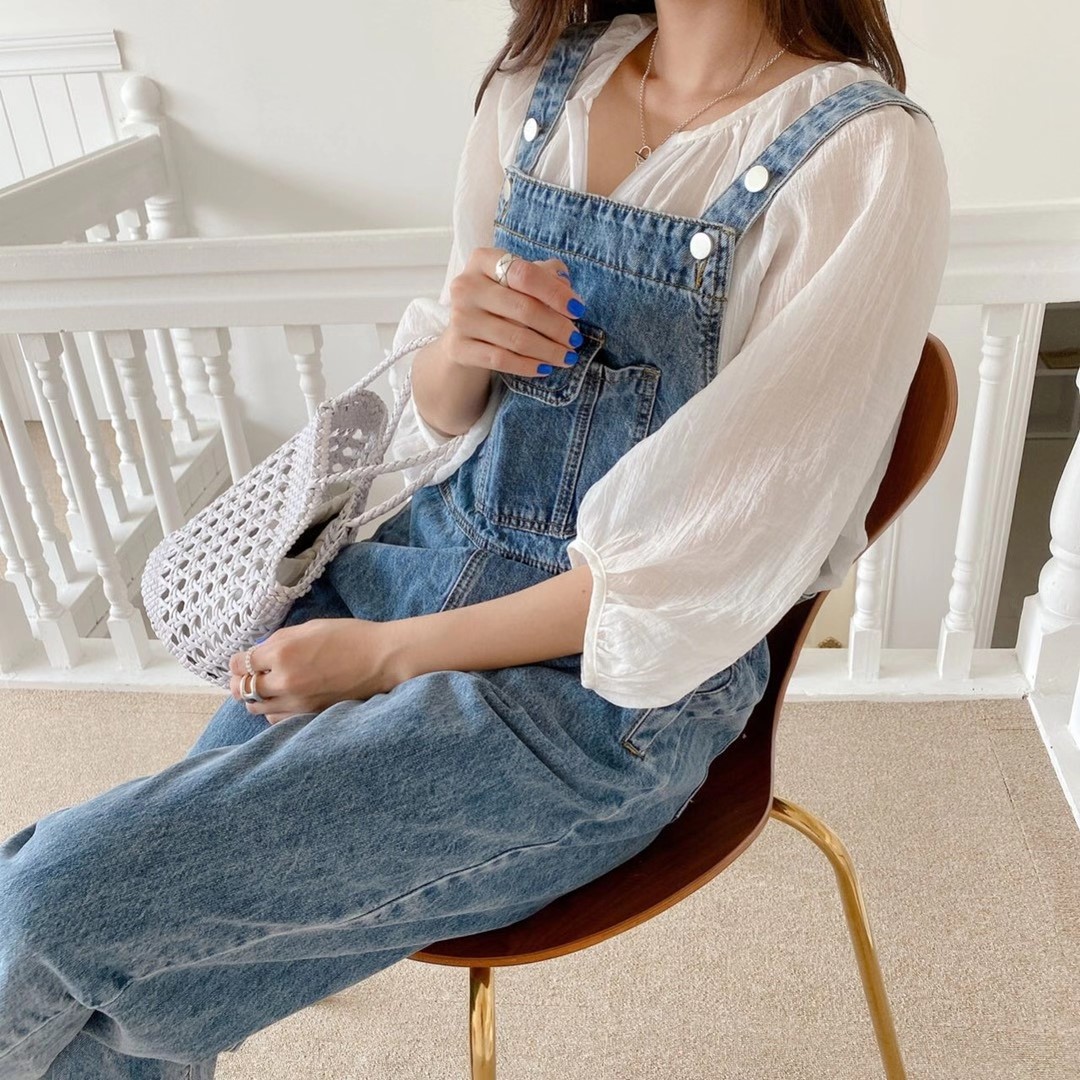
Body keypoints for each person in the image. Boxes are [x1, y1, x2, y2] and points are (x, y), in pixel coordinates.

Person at [0, 2, 949, 1076]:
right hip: (415, 569)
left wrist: (386, 659)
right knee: (121, 980)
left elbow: (704, 567)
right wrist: (461, 347)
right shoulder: (542, 87)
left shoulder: (861, 156)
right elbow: (443, 417)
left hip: (598, 697)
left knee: (47, 905)